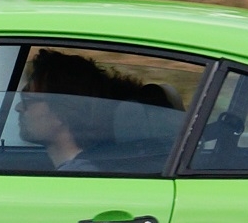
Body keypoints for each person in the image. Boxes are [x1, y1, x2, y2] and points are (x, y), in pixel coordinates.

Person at [15, 49, 176, 172]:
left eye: (27, 100)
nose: (18, 107)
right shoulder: (97, 167)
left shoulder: (75, 180)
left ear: (61, 113)